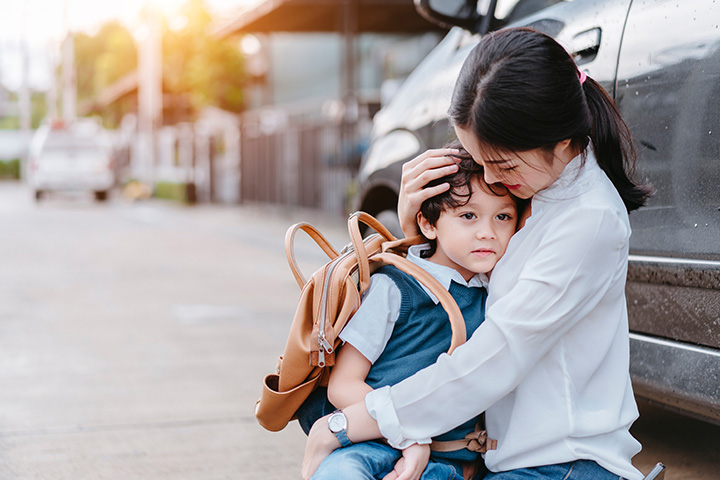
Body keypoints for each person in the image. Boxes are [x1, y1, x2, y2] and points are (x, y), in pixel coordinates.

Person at [302, 27, 653, 480]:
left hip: (562, 464)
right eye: (477, 158)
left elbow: (496, 355)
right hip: (513, 460)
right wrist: (419, 225)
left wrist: (354, 424)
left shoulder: (588, 220)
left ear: (563, 140)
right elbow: (470, 289)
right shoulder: (540, 192)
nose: (491, 178)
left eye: (502, 165)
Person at [310, 154, 519, 480]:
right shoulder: (396, 288)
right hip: (369, 443)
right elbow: (342, 384)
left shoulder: (498, 294)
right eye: (468, 215)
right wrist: (408, 435)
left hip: (448, 462)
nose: (487, 232)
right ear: (427, 224)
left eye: (503, 217)